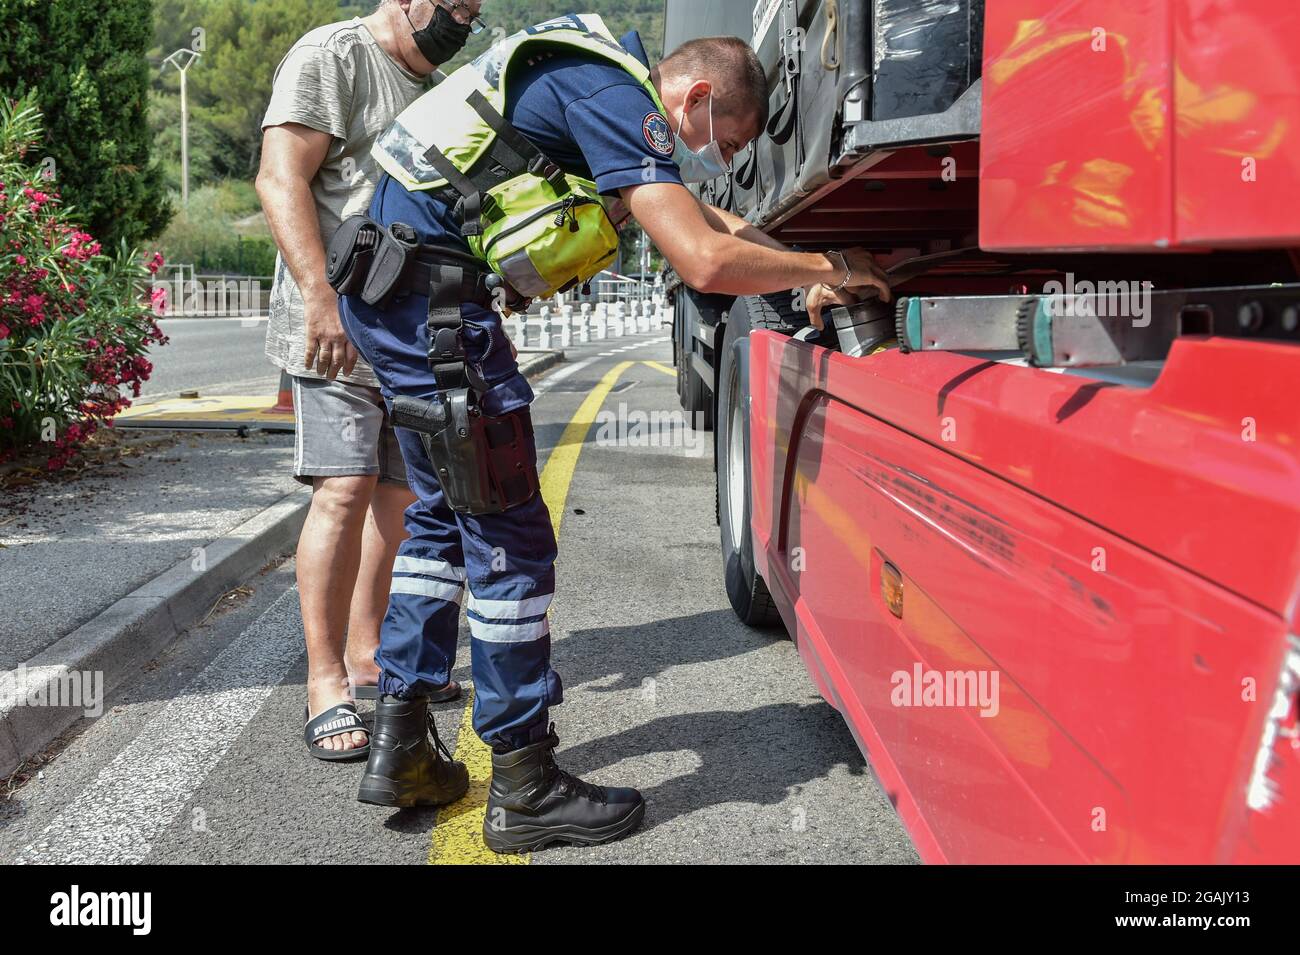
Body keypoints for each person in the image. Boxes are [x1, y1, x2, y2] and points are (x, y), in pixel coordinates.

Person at [335, 14, 890, 851]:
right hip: (435, 309)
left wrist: (800, 264)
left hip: (396, 293)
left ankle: (403, 741)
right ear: (694, 96)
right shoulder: (613, 97)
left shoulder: (584, 78)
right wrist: (834, 271)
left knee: (441, 520)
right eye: (727, 138)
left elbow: (712, 221)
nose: (726, 159)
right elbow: (700, 259)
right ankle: (523, 781)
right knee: (510, 536)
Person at [256, 0, 484, 762]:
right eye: (453, 3)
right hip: (334, 329)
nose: (463, 17)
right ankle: (325, 682)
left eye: (475, 9)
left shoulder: (442, 89)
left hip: (411, 335)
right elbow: (279, 175)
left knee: (401, 496)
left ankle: (368, 658)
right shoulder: (334, 57)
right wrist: (321, 298)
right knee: (344, 488)